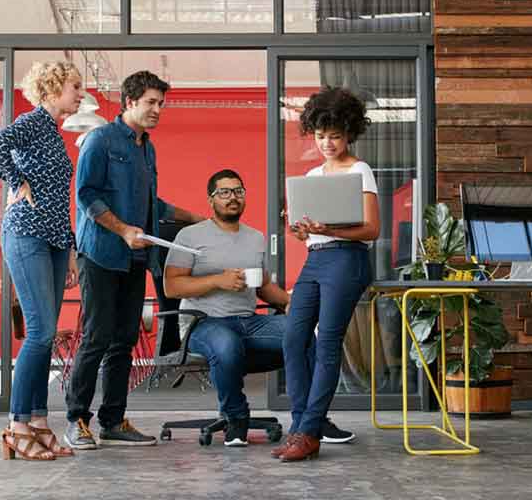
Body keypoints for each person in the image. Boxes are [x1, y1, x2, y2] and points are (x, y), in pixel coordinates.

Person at [163, 169, 357, 447]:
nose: (233, 198)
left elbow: (263, 286)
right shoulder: (190, 236)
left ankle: (312, 421)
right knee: (227, 345)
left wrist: (290, 303)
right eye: (225, 192)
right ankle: (236, 418)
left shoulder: (255, 237)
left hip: (250, 321)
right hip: (204, 322)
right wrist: (218, 280)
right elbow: (172, 286)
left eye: (239, 191)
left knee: (302, 334)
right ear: (211, 200)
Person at [67, 70, 203, 449]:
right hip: (101, 254)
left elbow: (151, 204)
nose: (158, 109)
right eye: (151, 102)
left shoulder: (147, 148)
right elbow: (86, 195)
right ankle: (77, 418)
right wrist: (123, 229)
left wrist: (195, 218)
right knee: (96, 338)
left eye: (161, 103)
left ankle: (113, 420)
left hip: (136, 260)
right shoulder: (99, 140)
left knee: (124, 341)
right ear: (129, 102)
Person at [274, 87, 380, 462]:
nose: (327, 143)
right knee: (293, 337)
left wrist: (329, 229)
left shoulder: (359, 170)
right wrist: (302, 230)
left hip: (348, 259)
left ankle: (307, 431)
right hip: (316, 257)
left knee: (328, 341)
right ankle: (303, 424)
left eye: (334, 135)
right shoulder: (312, 174)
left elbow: (372, 229)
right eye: (320, 136)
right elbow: (308, 234)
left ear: (348, 132)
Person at [0, 60, 84, 461]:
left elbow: (62, 201)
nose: (81, 94)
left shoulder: (55, 134)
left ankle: (39, 422)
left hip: (56, 239)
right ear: (53, 88)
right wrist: (16, 181)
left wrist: (72, 249)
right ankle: (16, 426)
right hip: (26, 233)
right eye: (75, 87)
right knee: (41, 332)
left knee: (45, 334)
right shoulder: (34, 121)